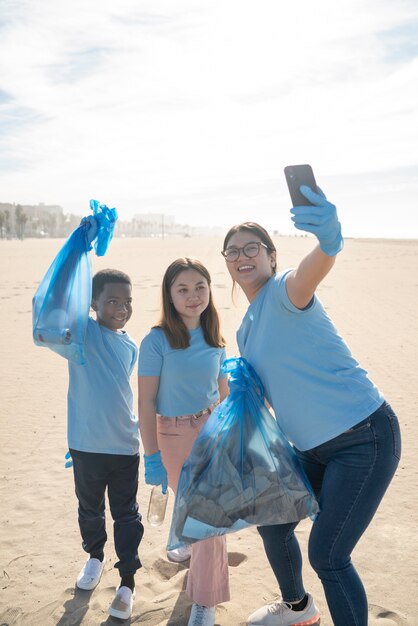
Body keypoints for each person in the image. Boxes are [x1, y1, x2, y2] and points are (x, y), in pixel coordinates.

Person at [221, 186, 401, 626]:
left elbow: (312, 270)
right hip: (310, 448)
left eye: (252, 248)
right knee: (275, 523)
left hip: (363, 437)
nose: (242, 256)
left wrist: (329, 240)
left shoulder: (285, 292)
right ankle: (299, 608)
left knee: (329, 553)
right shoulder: (245, 329)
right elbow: (267, 398)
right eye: (232, 251)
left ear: (272, 256)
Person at [39, 218, 143, 620]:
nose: (121, 308)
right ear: (93, 304)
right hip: (84, 445)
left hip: (124, 447)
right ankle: (95, 558)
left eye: (127, 301)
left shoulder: (131, 345)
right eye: (112, 301)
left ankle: (128, 579)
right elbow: (55, 301)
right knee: (89, 509)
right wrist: (78, 248)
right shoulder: (80, 334)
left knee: (127, 513)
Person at [138, 257, 230, 626]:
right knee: (191, 505)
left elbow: (224, 395)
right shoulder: (156, 340)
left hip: (212, 430)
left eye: (200, 288)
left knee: (211, 517)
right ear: (170, 296)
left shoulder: (216, 338)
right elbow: (145, 400)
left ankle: (205, 598)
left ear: (210, 291)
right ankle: (192, 546)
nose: (193, 297)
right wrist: (151, 456)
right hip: (172, 434)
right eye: (183, 289)